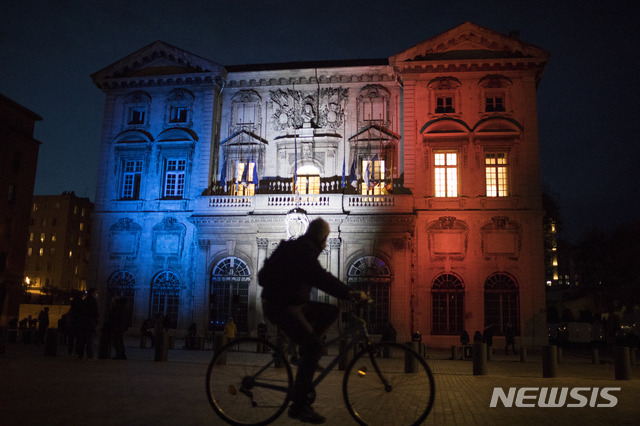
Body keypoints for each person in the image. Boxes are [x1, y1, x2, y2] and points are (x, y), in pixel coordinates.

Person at [259, 218, 366, 424]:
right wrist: (349, 293)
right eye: (326, 239)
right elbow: (320, 277)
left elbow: (319, 277)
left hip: (291, 304)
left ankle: (303, 353)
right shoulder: (303, 251)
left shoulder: (301, 247)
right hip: (281, 307)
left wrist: (345, 293)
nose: (326, 244)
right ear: (322, 238)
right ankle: (299, 406)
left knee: (329, 311)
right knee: (314, 346)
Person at [76, 288, 99, 359]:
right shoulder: (93, 301)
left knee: (82, 339)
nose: (97, 294)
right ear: (92, 293)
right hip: (90, 323)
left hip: (83, 322)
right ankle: (89, 354)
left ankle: (80, 354)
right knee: (89, 339)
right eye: (96, 292)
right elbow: (95, 313)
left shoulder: (85, 301)